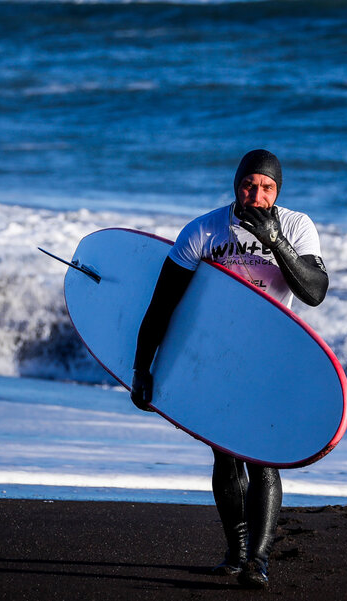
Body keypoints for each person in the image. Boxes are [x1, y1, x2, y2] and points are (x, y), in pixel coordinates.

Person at [129, 149, 329, 590]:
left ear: (278, 190)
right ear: (235, 184)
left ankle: (258, 560)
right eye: (249, 185)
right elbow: (162, 305)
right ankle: (236, 553)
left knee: (260, 454)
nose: (257, 195)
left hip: (271, 355)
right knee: (224, 452)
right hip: (217, 357)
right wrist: (142, 369)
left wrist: (275, 240)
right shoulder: (203, 230)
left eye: (267, 188)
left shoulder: (296, 226)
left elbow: (314, 292)